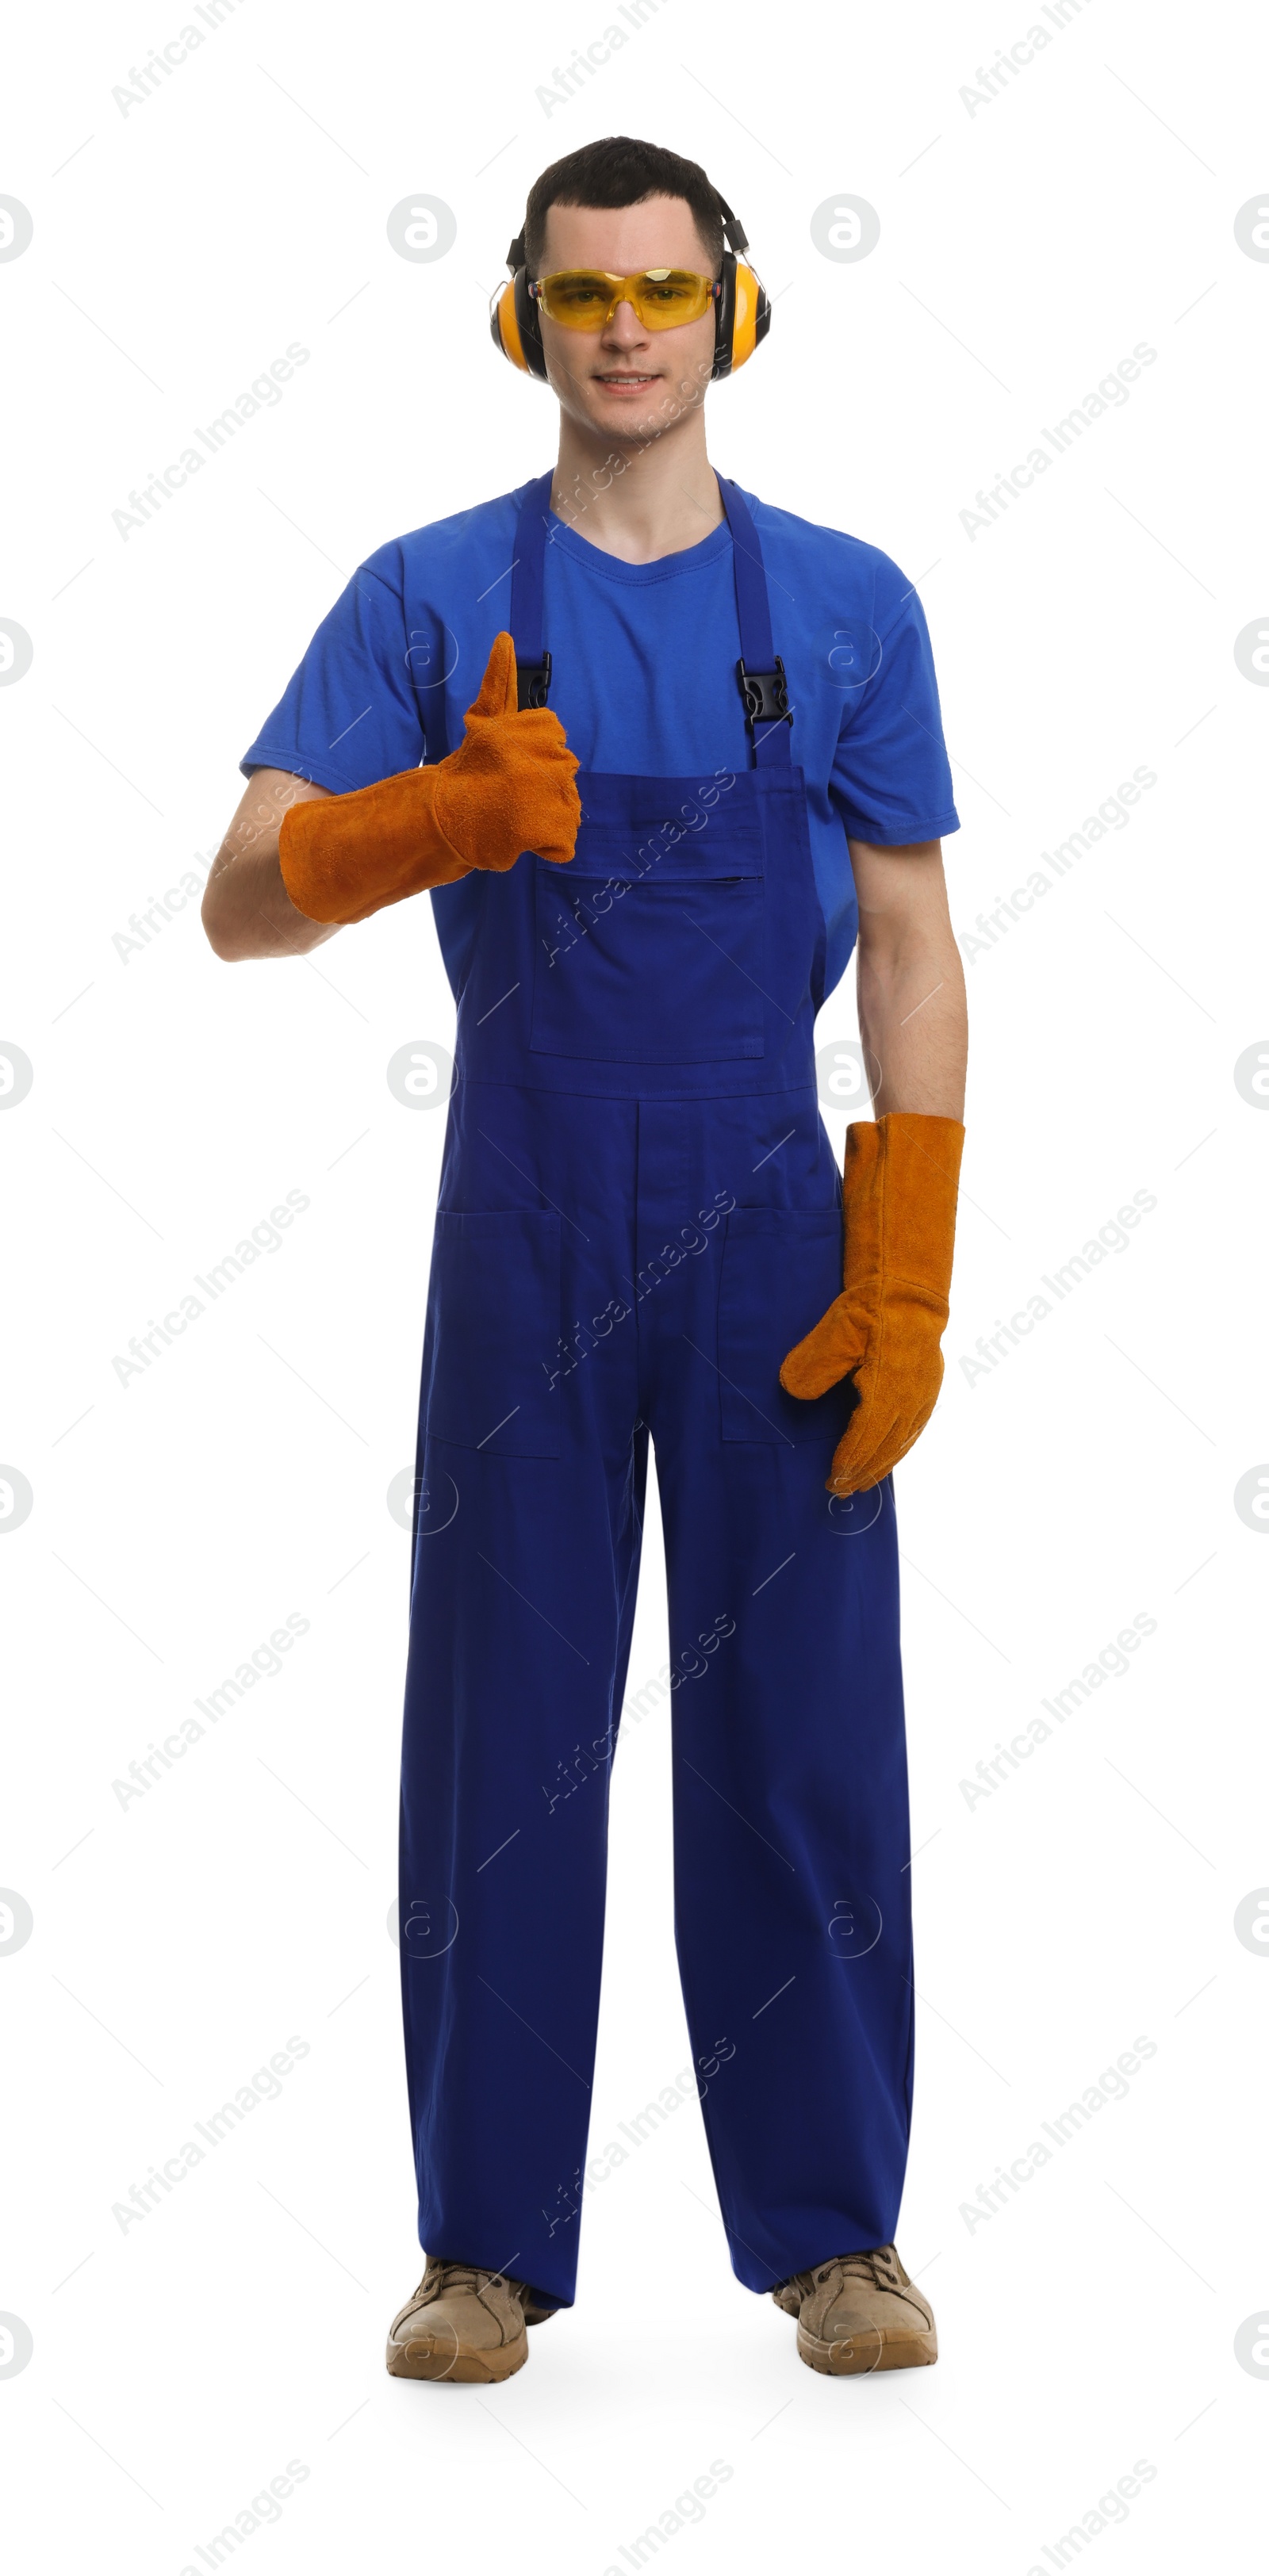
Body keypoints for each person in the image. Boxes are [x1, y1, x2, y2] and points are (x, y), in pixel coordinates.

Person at [202, 134, 968, 2387]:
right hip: (525, 1219)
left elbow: (913, 946)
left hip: (774, 1223)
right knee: (504, 1728)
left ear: (731, 309)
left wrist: (909, 1251)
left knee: (802, 1725)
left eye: (660, 289)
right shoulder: (430, 593)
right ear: (521, 319)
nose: (622, 327)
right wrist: (431, 814)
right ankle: (480, 2250)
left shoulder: (846, 607)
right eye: (580, 292)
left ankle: (839, 2236)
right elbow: (244, 895)